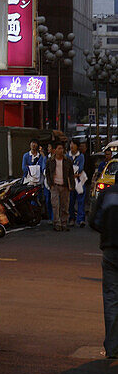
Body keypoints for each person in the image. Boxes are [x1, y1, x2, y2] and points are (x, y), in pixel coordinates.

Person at [88, 178, 118, 358]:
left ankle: (113, 347)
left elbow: (94, 220)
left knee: (111, 299)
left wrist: (107, 231)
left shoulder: (107, 194)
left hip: (110, 250)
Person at [45, 141, 75, 231]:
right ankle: (57, 223)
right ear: (55, 150)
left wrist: (71, 185)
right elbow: (47, 173)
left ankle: (64, 223)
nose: (61, 150)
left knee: (65, 206)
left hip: (65, 185)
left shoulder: (68, 161)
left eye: (62, 148)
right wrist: (50, 184)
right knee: (55, 205)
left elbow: (71, 174)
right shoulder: (50, 161)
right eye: (59, 148)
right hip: (54, 185)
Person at [68, 139, 87, 227]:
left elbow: (80, 168)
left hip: (79, 181)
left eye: (74, 144)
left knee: (81, 200)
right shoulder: (67, 156)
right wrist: (73, 172)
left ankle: (81, 219)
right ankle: (71, 218)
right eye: (71, 144)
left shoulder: (81, 156)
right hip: (70, 181)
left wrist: (74, 171)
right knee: (70, 201)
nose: (72, 146)